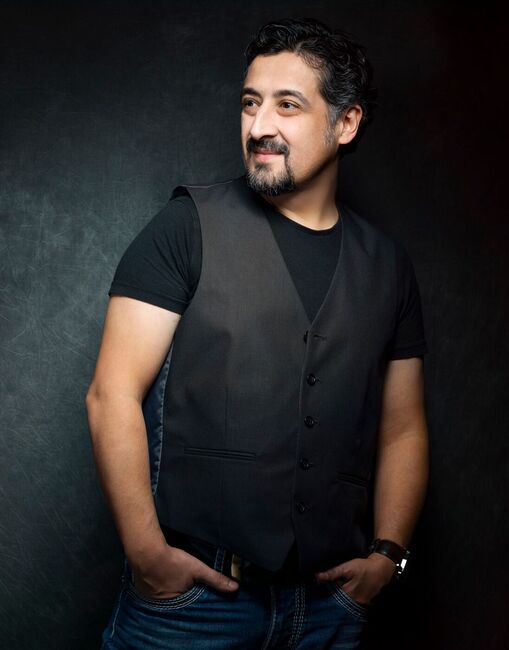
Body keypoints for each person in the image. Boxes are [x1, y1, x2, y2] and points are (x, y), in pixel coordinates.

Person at [87, 17, 429, 650]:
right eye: (250, 103)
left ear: (346, 123)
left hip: (329, 611)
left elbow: (403, 427)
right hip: (192, 606)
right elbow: (111, 395)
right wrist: (146, 555)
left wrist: (388, 556)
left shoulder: (388, 267)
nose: (258, 126)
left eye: (287, 105)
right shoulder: (185, 226)